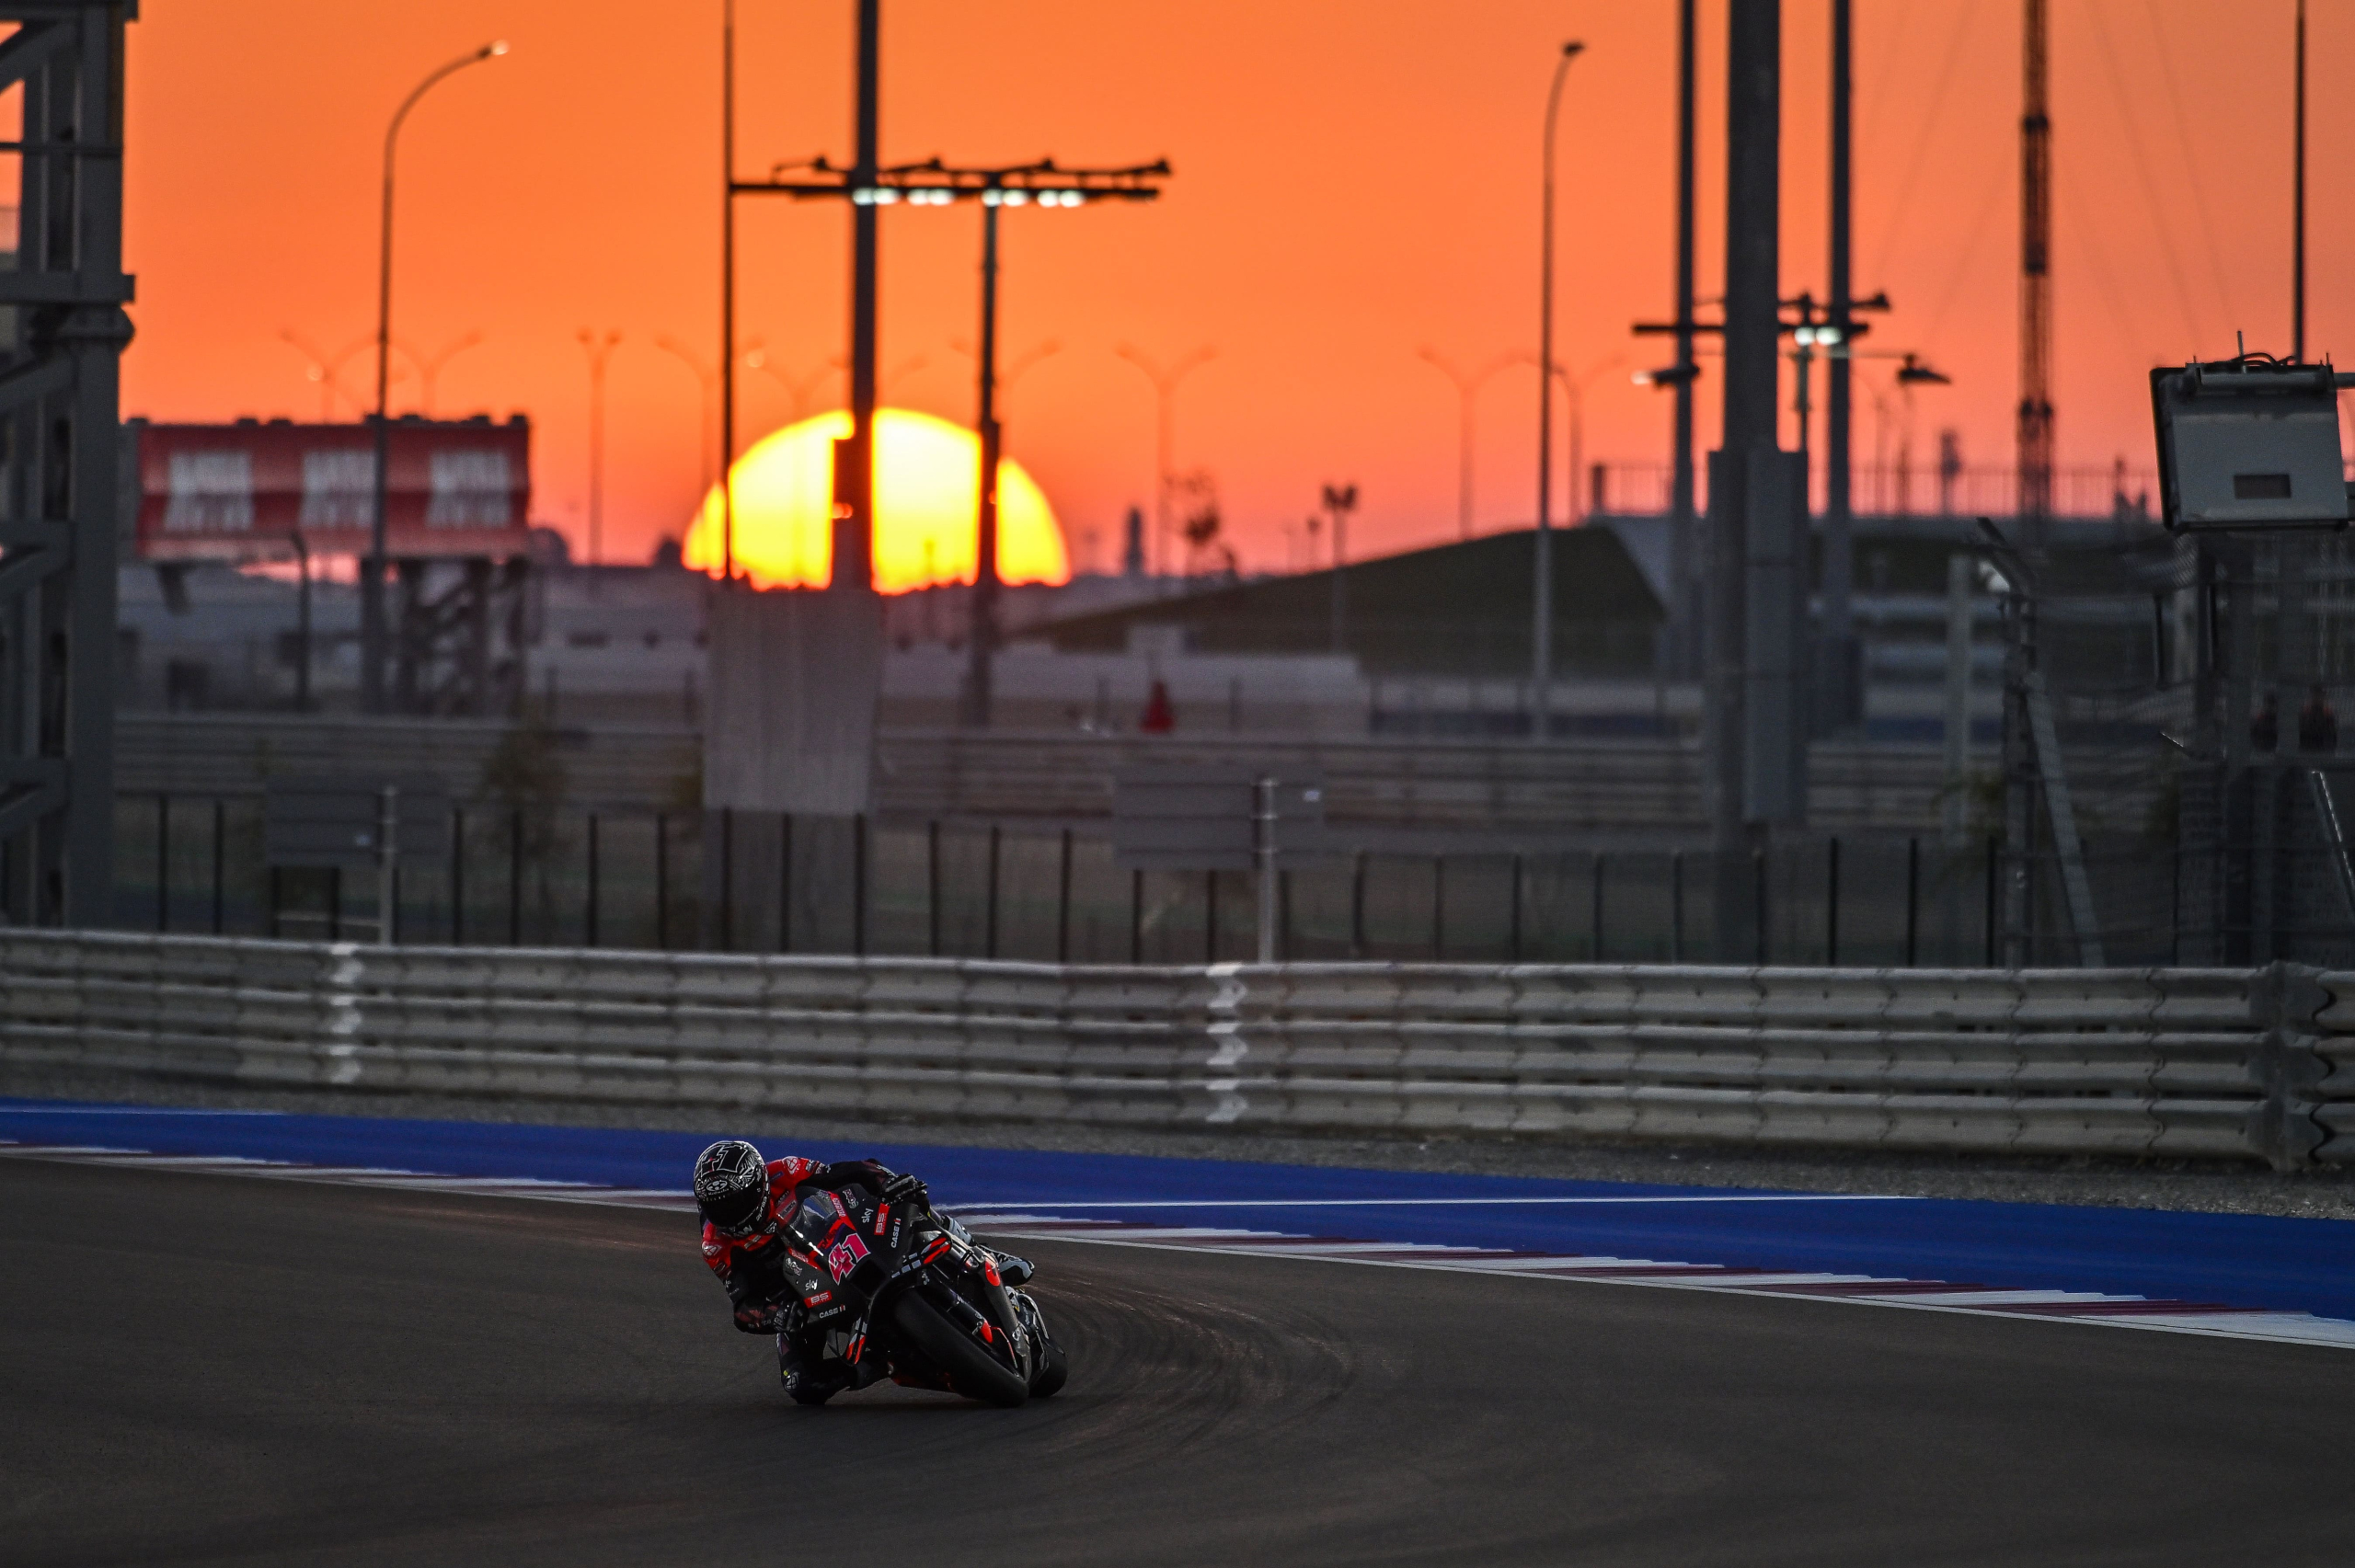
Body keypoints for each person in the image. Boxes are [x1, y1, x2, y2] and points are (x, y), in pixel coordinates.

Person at [692, 1138, 1032, 1404]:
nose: (727, 1214)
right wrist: (776, 1315)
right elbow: (742, 1306)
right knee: (801, 1385)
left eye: (734, 1202)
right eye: (716, 1206)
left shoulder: (785, 1170)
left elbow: (848, 1171)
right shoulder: (715, 1244)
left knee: (909, 1197)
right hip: (801, 1296)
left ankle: (979, 1249)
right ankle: (881, 1364)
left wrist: (886, 1181)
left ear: (758, 1184)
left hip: (837, 1238)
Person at [2298, 682, 2338, 754]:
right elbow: (2301, 729)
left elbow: (2332, 732)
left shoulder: (2328, 712)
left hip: (2324, 745)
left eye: (2319, 695)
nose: (2317, 698)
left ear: (2323, 697)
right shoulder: (2306, 711)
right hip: (2308, 744)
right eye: (2315, 695)